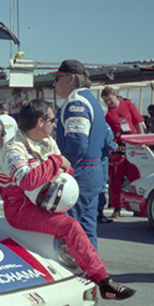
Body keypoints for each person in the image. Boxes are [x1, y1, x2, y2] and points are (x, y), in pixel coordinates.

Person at [0, 99, 136, 305]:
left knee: (76, 239)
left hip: (48, 202)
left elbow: (67, 172)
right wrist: (55, 163)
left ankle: (83, 304)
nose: (55, 124)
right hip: (20, 209)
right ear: (39, 122)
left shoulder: (47, 142)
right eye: (52, 120)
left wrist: (55, 167)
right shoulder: (13, 149)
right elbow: (27, 181)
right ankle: (103, 282)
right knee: (70, 227)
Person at [52, 60, 106, 248]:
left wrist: (61, 171)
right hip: (94, 170)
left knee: (64, 228)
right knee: (87, 228)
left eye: (58, 78)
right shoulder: (93, 101)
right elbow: (108, 141)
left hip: (80, 172)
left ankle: (69, 274)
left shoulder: (76, 102)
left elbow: (77, 144)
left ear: (71, 78)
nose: (54, 83)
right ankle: (92, 272)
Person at [101, 87, 145, 218]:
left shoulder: (128, 105)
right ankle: (116, 207)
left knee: (135, 177)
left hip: (133, 144)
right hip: (118, 147)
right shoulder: (107, 114)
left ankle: (138, 207)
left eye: (110, 99)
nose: (109, 103)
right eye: (106, 101)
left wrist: (142, 140)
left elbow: (138, 123)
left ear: (116, 95)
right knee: (115, 178)